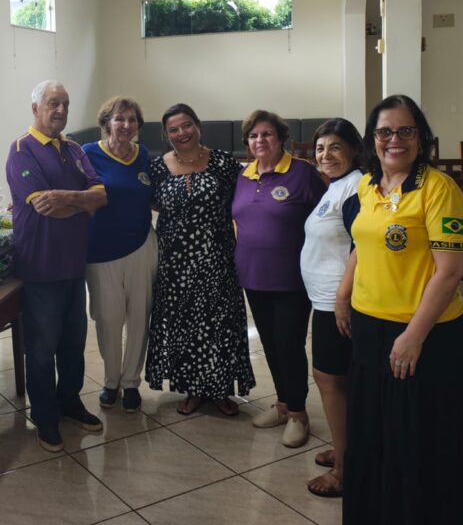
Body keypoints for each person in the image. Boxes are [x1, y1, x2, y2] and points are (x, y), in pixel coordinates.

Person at [336, 95, 463, 524]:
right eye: (384, 131)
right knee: (373, 435)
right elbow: (362, 245)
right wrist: (343, 297)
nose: (394, 140)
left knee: (418, 442)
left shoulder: (438, 189)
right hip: (370, 330)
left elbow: (450, 272)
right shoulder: (368, 185)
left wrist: (414, 335)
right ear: (372, 139)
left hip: (426, 336)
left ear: (421, 138)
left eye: (405, 130)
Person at [5, 80, 108, 452]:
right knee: (42, 348)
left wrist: (69, 197)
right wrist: (82, 202)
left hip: (73, 266)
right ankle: (45, 416)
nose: (61, 110)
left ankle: (70, 402)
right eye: (53, 103)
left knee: (73, 343)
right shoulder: (21, 150)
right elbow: (43, 207)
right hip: (41, 267)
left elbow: (101, 195)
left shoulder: (75, 150)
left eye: (65, 103)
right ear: (36, 108)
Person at [146, 103, 255, 416]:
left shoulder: (223, 162)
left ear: (198, 126)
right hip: (175, 263)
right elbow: (152, 202)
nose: (182, 133)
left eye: (186, 125)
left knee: (220, 323)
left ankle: (220, 389)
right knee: (184, 324)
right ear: (167, 135)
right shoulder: (158, 167)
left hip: (217, 258)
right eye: (173, 129)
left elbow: (244, 198)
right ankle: (193, 389)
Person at [232, 110, 325, 448]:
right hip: (253, 275)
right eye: (254, 135)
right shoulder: (244, 176)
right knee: (270, 343)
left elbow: (326, 219)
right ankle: (283, 403)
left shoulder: (302, 173)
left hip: (292, 279)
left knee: (289, 344)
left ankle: (299, 413)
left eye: (267, 134)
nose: (260, 140)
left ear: (281, 138)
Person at [298, 118, 364, 498]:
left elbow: (362, 245)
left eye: (335, 147)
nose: (326, 155)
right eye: (321, 148)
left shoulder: (355, 186)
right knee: (334, 379)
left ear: (353, 150)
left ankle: (344, 470)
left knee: (330, 380)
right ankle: (345, 450)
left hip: (338, 301)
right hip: (325, 299)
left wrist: (342, 298)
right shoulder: (337, 185)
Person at [82, 96, 159, 412]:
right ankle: (110, 380)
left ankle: (130, 383)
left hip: (141, 245)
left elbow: (154, 197)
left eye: (132, 119)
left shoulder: (144, 156)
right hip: (100, 251)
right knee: (107, 319)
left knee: (139, 317)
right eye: (119, 119)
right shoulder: (88, 154)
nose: (126, 125)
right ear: (106, 123)